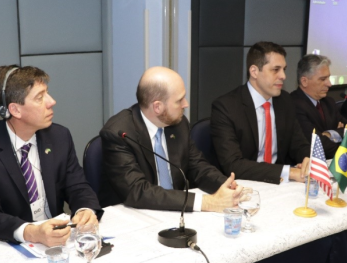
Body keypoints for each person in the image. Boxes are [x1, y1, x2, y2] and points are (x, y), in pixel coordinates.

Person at [0, 65, 102, 247]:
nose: (52, 102)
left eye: (47, 93)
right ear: (15, 110)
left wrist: (85, 209)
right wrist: (31, 232)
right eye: (40, 97)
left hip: (59, 242)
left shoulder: (59, 137)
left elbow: (78, 186)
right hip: (12, 244)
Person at [99, 66, 243, 212]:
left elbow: (197, 166)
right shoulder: (119, 134)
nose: (185, 104)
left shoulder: (178, 124)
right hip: (134, 215)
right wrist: (206, 203)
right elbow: (137, 191)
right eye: (179, 100)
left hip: (176, 210)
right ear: (157, 107)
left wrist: (226, 186)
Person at [211, 41, 310, 184]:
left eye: (284, 69)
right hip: (245, 185)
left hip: (281, 184)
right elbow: (233, 165)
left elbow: (299, 144)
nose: (283, 76)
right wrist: (289, 172)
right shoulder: (226, 107)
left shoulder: (285, 101)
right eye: (276, 69)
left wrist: (307, 160)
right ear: (254, 72)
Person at [291, 54, 347, 159]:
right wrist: (341, 136)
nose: (329, 84)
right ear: (304, 81)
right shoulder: (293, 104)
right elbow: (317, 145)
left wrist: (330, 134)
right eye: (323, 79)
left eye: (328, 78)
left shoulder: (328, 102)